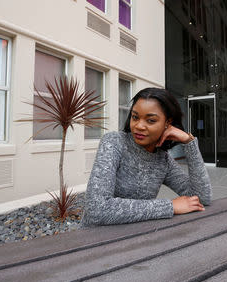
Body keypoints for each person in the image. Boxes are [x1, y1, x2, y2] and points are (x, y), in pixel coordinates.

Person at [81, 87, 212, 226]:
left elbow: (201, 198)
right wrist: (169, 206)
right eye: (135, 117)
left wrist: (188, 142)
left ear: (167, 123)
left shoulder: (163, 161)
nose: (139, 126)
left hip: (137, 239)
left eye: (150, 120)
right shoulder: (114, 142)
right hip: (93, 241)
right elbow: (96, 209)